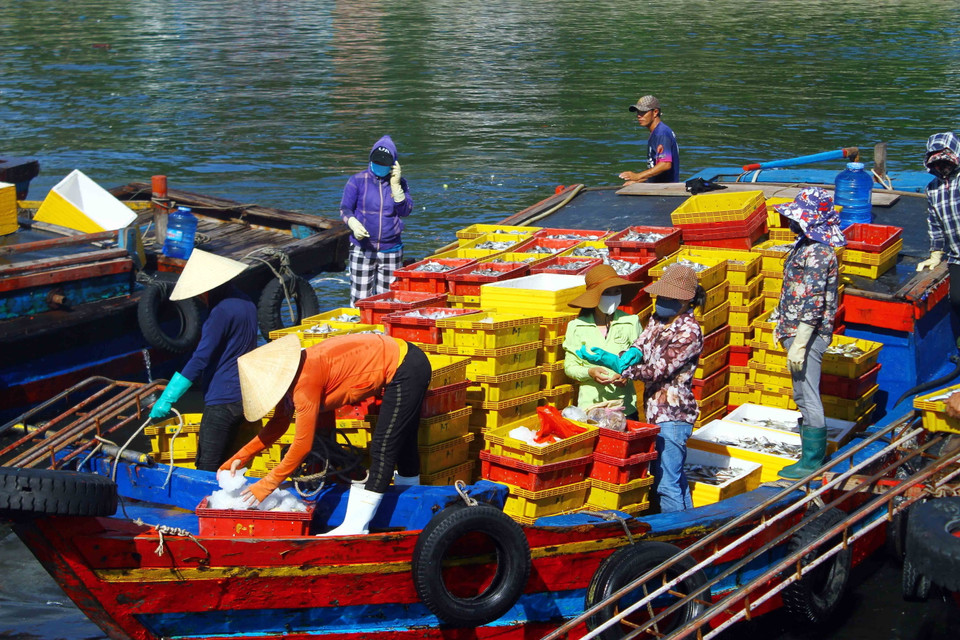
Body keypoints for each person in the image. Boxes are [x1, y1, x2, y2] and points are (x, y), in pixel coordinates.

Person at [221, 332, 431, 536]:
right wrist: (240, 458)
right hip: (400, 358)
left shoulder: (304, 382)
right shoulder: (289, 379)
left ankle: (357, 527)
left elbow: (303, 446)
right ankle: (410, 502)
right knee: (405, 440)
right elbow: (278, 424)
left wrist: (267, 484)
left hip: (406, 367)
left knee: (383, 447)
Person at [579, 264, 704, 512]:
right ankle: (689, 525)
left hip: (674, 415)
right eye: (661, 295)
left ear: (684, 300)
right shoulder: (659, 320)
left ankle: (673, 535)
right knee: (673, 477)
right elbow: (642, 342)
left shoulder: (689, 332)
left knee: (666, 483)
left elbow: (658, 370)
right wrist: (629, 354)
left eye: (668, 297)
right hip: (655, 412)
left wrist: (619, 367)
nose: (661, 301)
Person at [149, 249, 258, 471]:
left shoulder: (220, 313)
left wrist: (169, 396)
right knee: (230, 462)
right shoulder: (247, 302)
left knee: (207, 463)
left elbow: (200, 358)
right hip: (245, 394)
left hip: (222, 398)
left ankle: (206, 504)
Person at [771, 187, 846, 480]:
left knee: (809, 394)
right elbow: (792, 291)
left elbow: (814, 301)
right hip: (793, 328)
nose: (791, 223)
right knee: (800, 392)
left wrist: (800, 344)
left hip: (808, 334)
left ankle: (812, 461)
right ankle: (808, 454)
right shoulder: (805, 244)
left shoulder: (818, 252)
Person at [340, 135, 413, 306]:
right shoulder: (357, 181)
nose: (380, 166)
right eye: (377, 162)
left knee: (388, 302)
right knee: (360, 301)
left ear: (393, 164)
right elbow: (345, 209)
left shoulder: (400, 182)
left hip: (391, 249)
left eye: (384, 163)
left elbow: (406, 210)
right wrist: (352, 222)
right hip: (362, 248)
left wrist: (396, 188)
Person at [562, 264, 642, 419]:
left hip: (624, 407)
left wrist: (627, 374)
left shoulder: (631, 322)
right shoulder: (577, 326)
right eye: (607, 293)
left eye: (616, 292)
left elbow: (643, 358)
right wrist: (589, 372)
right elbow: (570, 367)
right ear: (595, 296)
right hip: (590, 407)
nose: (612, 297)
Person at [619, 95, 680, 185]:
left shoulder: (661, 133)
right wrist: (637, 182)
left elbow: (665, 164)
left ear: (655, 112)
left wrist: (637, 176)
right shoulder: (656, 132)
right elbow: (655, 169)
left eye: (643, 112)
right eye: (638, 112)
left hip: (665, 189)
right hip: (656, 185)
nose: (639, 116)